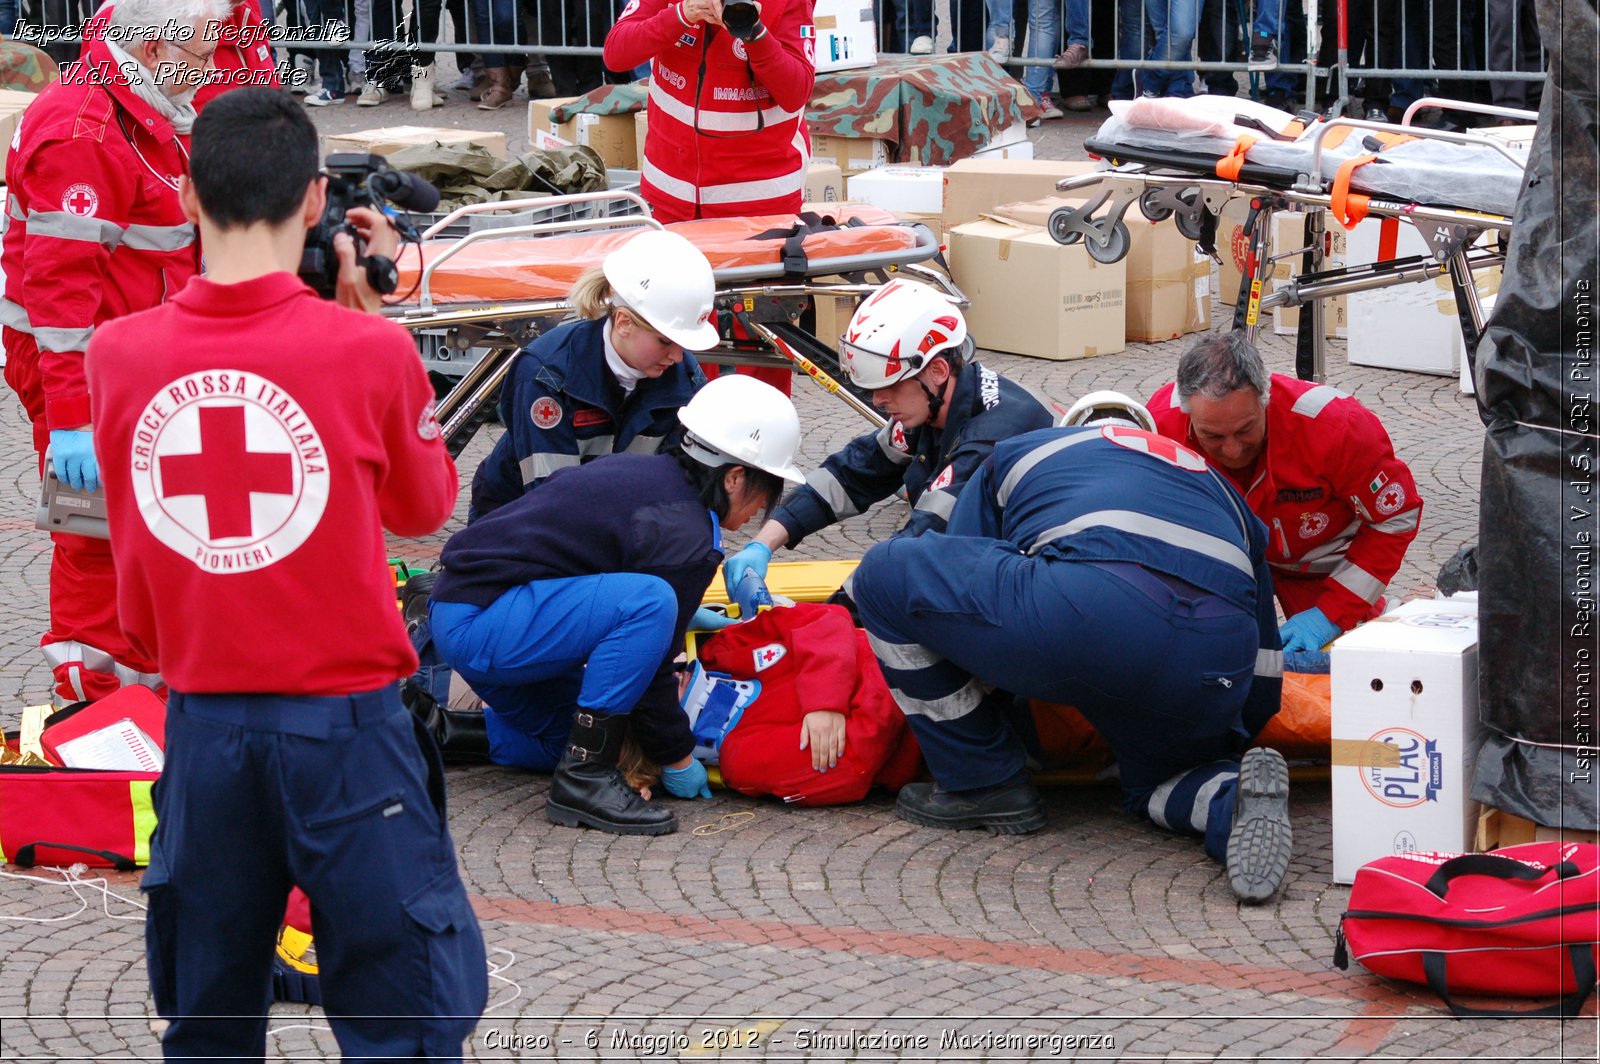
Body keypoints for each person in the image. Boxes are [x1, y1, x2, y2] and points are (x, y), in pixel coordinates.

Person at [86, 87, 486, 1061]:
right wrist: (370, 327)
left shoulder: (118, 354)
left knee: (209, 1018)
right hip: (346, 733)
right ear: (315, 201)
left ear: (188, 195)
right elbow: (424, 505)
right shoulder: (368, 350)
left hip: (203, 726)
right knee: (401, 1015)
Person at [849, 396, 1293, 903]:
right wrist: (1223, 732)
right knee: (1161, 781)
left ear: (1071, 427)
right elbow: (1264, 657)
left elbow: (962, 597)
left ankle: (982, 783)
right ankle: (1230, 802)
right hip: (1214, 656)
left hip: (1090, 606)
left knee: (886, 573)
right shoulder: (1219, 488)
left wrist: (1018, 725)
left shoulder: (1024, 450)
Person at [428, 374, 807, 836]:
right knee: (650, 604)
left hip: (466, 609)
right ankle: (584, 781)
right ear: (734, 478)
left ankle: (430, 728)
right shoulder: (689, 534)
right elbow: (653, 670)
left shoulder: (649, 477)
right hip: (483, 621)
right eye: (764, 497)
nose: (756, 516)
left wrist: (684, 615)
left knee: (567, 739)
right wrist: (677, 755)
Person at [2, 0, 225, 704]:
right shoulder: (84, 132)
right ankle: (98, 709)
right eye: (201, 58)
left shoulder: (140, 102)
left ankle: (148, 701)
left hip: (133, 362)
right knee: (96, 541)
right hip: (82, 371)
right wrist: (72, 416)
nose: (212, 71)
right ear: (155, 50)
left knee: (143, 535)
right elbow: (59, 295)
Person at [721, 279, 1055, 600]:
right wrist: (763, 543)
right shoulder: (931, 406)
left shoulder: (990, 438)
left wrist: (833, 615)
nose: (878, 399)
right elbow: (853, 474)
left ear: (937, 370)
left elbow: (919, 545)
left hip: (1043, 579)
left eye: (890, 385)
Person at [1147, 332, 1423, 669]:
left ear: (1265, 397)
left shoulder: (1337, 427)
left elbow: (1396, 516)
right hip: (1225, 561)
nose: (1232, 450)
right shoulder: (1158, 427)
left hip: (1319, 565)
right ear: (1188, 414)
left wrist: (1330, 614)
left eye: (1245, 430)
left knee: (1352, 664)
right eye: (1213, 436)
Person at [467, 228, 713, 521]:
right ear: (623, 322)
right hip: (518, 522)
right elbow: (550, 500)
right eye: (665, 341)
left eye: (684, 344)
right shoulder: (547, 375)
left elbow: (683, 484)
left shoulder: (684, 378)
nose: (677, 356)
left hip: (618, 520)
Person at [603, 0, 813, 225]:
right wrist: (683, 14)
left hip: (760, 206)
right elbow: (616, 53)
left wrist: (755, 32)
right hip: (672, 197)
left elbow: (796, 92)